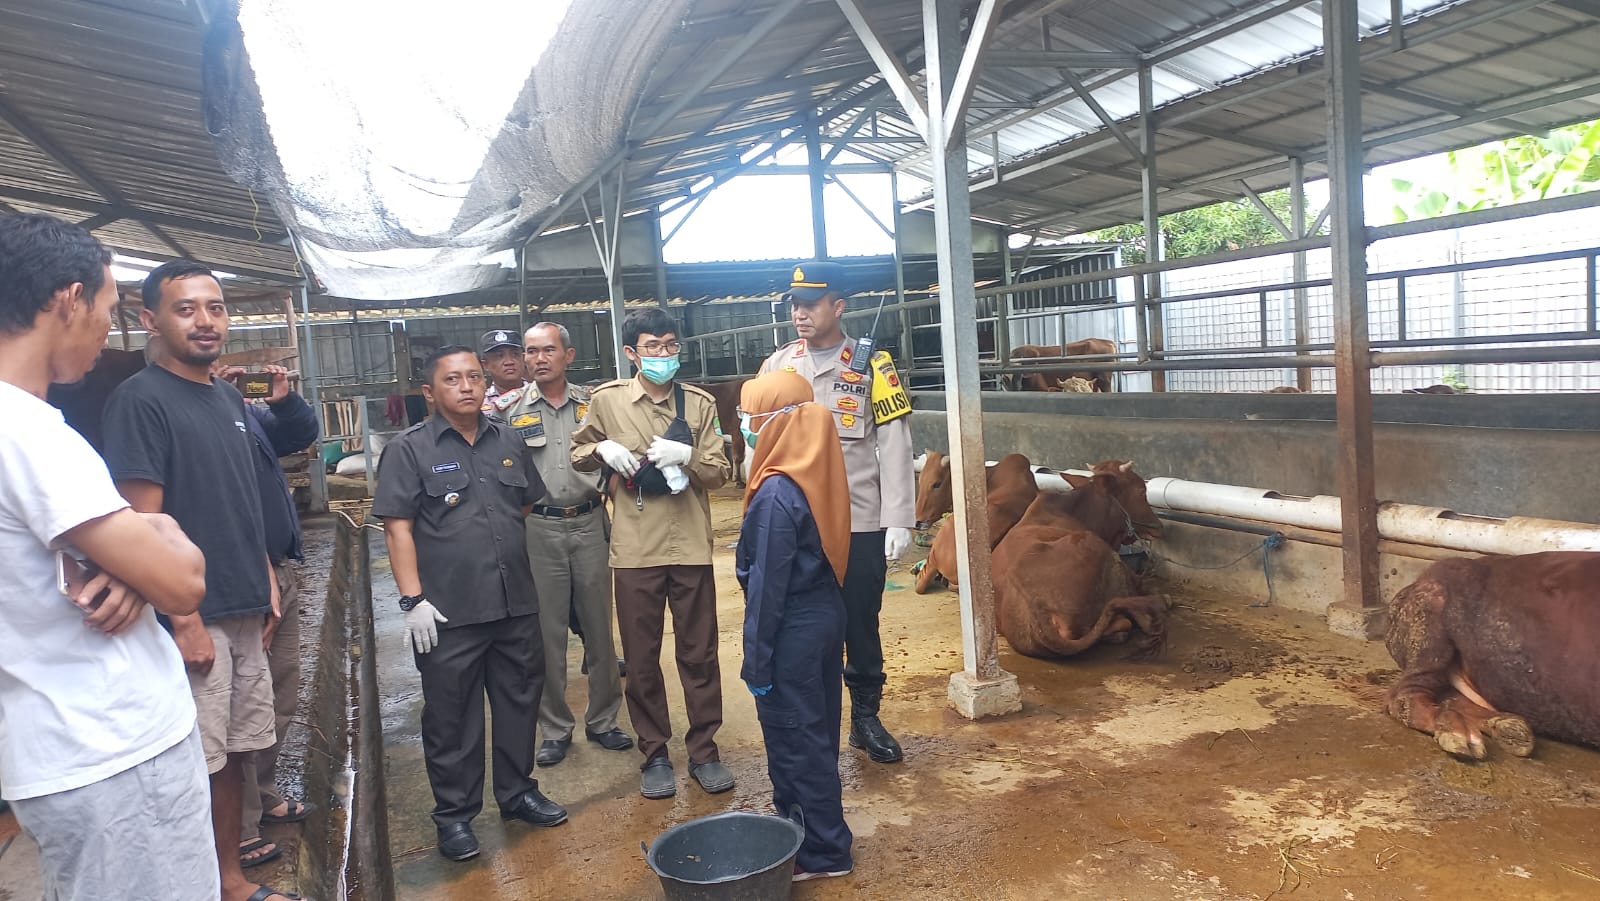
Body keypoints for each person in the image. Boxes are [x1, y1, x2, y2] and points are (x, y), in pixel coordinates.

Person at [0, 214, 217, 900]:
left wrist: (136, 557)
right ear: (67, 300)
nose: (105, 328)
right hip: (112, 747)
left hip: (61, 744)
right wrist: (160, 541)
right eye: (107, 306)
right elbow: (181, 579)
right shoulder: (28, 433)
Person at [101, 260, 300, 901]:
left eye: (214, 308)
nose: (205, 321)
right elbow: (141, 525)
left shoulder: (225, 398)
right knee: (195, 758)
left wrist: (265, 577)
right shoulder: (140, 402)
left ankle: (229, 878)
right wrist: (183, 620)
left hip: (245, 600)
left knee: (236, 753)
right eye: (186, 309)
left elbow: (242, 498)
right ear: (149, 320)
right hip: (195, 614)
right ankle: (191, 884)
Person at [372, 345, 567, 862]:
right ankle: (455, 816)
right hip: (448, 613)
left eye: (474, 378)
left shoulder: (508, 438)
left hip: (514, 603)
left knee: (518, 703)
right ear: (429, 392)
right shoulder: (408, 449)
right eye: (453, 379)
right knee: (452, 717)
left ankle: (518, 792)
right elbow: (398, 528)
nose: (467, 387)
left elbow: (522, 503)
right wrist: (412, 599)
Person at [571, 308, 733, 800]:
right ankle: (655, 752)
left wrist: (690, 457)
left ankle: (704, 750)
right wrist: (603, 451)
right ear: (630, 353)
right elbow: (577, 451)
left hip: (689, 545)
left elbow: (721, 471)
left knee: (699, 653)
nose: (663, 355)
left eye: (669, 345)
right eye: (652, 347)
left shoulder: (699, 404)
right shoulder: (607, 402)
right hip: (635, 549)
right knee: (641, 657)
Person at [758, 260, 915, 764]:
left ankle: (865, 718)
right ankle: (814, 717)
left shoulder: (874, 365)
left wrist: (899, 518)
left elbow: (893, 443)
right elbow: (757, 440)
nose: (800, 313)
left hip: (859, 520)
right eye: (795, 305)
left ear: (838, 307)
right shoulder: (778, 366)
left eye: (811, 304)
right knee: (802, 622)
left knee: (860, 622)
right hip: (798, 523)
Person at [735, 371, 855, 882]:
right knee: (818, 732)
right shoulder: (816, 472)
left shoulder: (776, 495)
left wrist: (756, 659)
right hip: (826, 614)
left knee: (795, 738)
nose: (743, 427)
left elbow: (766, 591)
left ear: (773, 422)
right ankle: (806, 829)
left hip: (793, 628)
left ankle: (823, 852)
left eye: (749, 418)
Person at [500, 323, 632, 767]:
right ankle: (554, 729)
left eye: (548, 350)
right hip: (538, 529)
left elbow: (617, 463)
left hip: (591, 522)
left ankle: (604, 720)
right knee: (547, 636)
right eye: (531, 351)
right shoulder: (509, 411)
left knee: (599, 629)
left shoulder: (595, 405)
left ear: (568, 355)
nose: (539, 358)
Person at [217, 362, 322, 864]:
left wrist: (281, 399)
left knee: (279, 691)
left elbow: (300, 434)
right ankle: (237, 823)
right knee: (242, 702)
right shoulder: (198, 413)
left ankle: (263, 793)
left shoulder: (246, 412)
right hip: (241, 577)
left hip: (278, 569)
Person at [479, 328, 526, 411]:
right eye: (499, 356)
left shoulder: (541, 394)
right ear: (485, 365)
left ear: (524, 358)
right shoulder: (479, 403)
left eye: (515, 354)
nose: (509, 362)